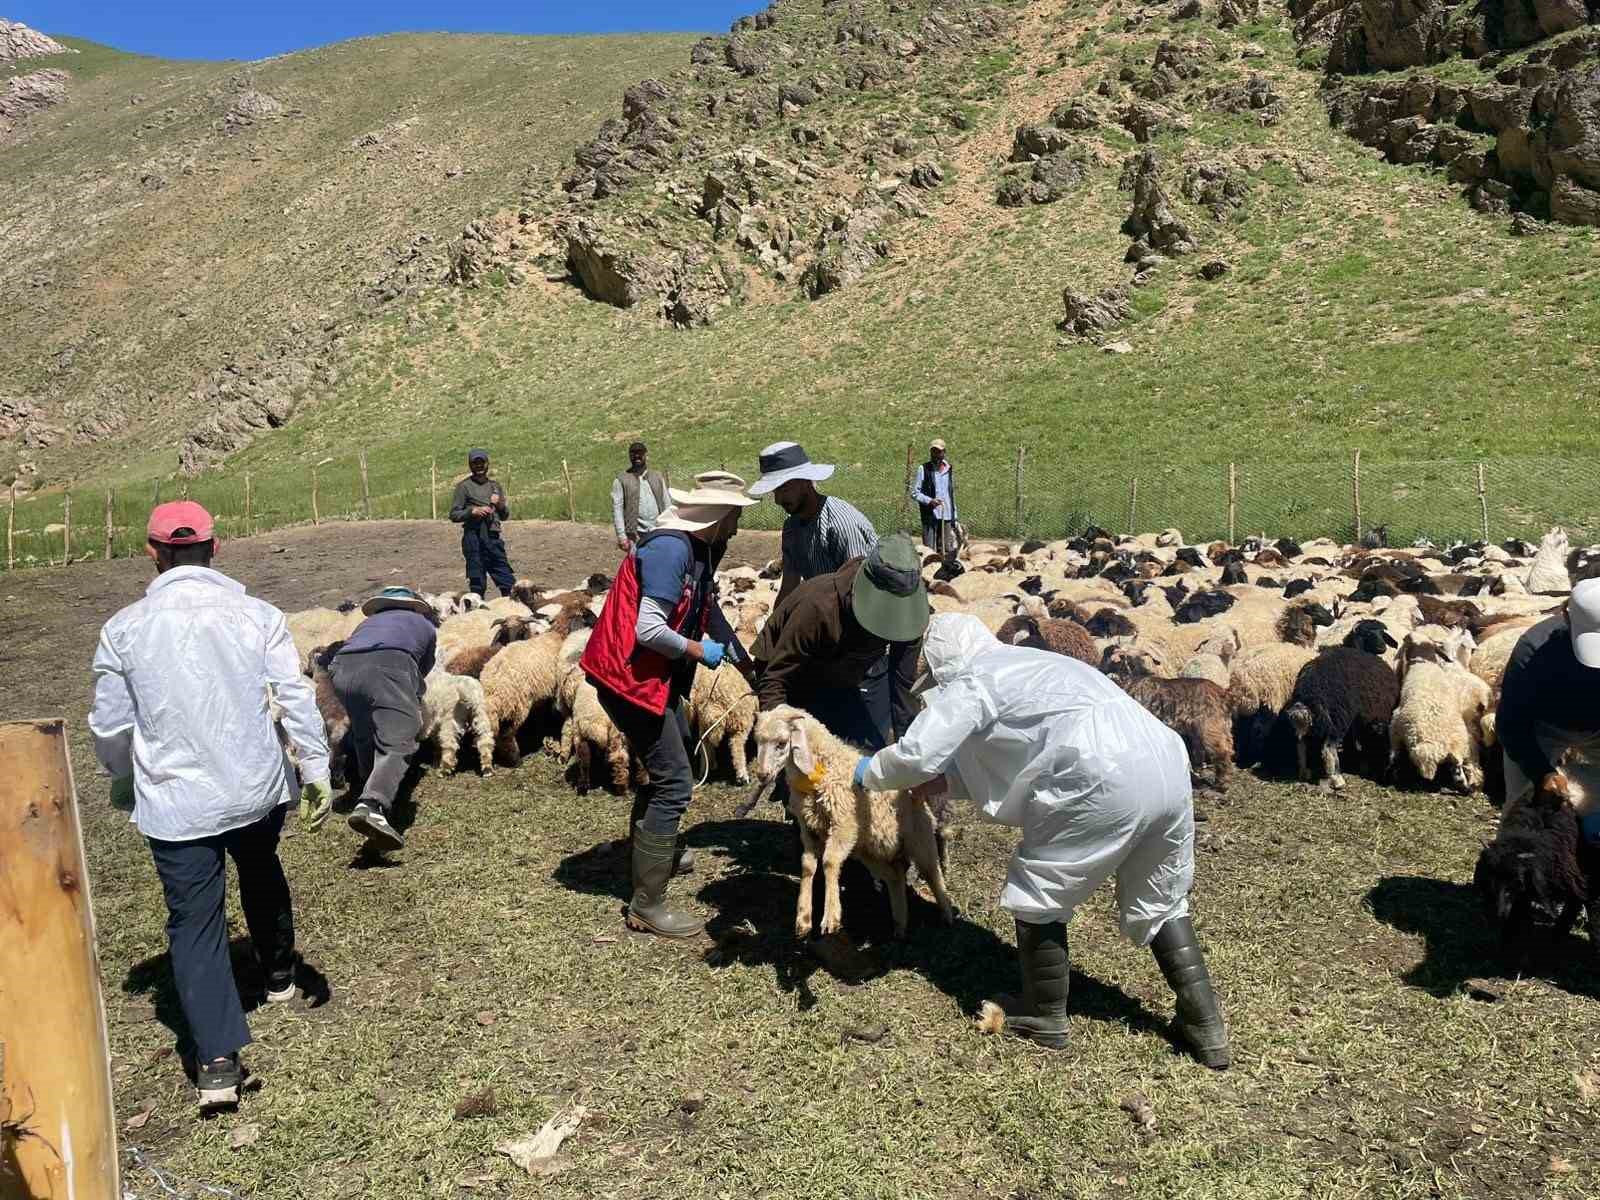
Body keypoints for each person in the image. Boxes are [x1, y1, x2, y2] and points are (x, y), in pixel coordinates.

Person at [852, 614, 1230, 1069]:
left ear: (942, 663)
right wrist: (945, 781)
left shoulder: (973, 679)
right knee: (1161, 896)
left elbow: (917, 755)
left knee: (1040, 887)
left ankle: (1043, 1013)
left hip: (1096, 771)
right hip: (1164, 762)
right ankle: (1205, 1024)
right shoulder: (1032, 664)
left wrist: (867, 771)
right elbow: (1015, 745)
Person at [88, 501, 333, 1111]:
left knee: (194, 919)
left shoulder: (124, 628)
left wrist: (123, 775)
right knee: (261, 865)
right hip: (253, 785)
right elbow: (295, 694)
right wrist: (316, 767)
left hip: (177, 800)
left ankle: (217, 1061)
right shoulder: (258, 615)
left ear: (153, 552)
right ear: (214, 547)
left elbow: (111, 725)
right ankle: (278, 973)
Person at [581, 472, 758, 938]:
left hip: (651, 677)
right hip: (630, 678)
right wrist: (699, 651)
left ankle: (654, 855)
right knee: (675, 782)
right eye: (735, 516)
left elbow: (707, 609)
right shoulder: (670, 550)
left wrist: (743, 661)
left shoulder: (700, 550)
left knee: (674, 758)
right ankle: (647, 903)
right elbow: (648, 630)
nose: (737, 526)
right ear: (717, 516)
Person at [751, 533, 928, 751]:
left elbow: (903, 684)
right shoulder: (818, 606)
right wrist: (780, 733)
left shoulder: (908, 619)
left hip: (846, 678)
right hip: (794, 678)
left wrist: (909, 750)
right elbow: (775, 678)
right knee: (805, 757)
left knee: (867, 754)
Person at [328, 586, 438, 853]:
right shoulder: (424, 624)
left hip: (341, 670)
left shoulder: (367, 623)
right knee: (400, 736)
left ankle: (366, 787)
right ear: (413, 606)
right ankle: (373, 805)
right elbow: (424, 666)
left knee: (365, 732)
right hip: (389, 664)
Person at [1495, 578, 1600, 842]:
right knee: (1522, 803)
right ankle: (1513, 857)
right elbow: (1511, 721)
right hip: (1544, 726)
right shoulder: (1533, 651)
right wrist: (1541, 771)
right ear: (1566, 615)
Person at [747, 441, 879, 604]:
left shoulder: (840, 525)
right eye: (775, 491)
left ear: (804, 482)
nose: (778, 500)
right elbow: (789, 587)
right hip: (827, 607)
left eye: (784, 489)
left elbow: (858, 592)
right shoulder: (792, 529)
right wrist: (777, 619)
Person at [449, 448, 516, 598]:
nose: (479, 466)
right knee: (477, 584)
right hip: (473, 538)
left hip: (493, 538)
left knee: (507, 582)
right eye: (475, 463)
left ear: (487, 464)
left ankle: (510, 610)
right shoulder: (464, 487)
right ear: (470, 465)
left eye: (482, 462)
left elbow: (505, 515)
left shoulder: (495, 486)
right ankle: (478, 611)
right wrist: (472, 511)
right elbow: (454, 514)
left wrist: (498, 504)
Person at [611, 440, 669, 552]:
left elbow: (666, 503)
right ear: (629, 456)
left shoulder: (657, 477)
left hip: (658, 531)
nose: (637, 456)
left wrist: (671, 527)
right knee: (638, 562)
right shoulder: (621, 479)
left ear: (646, 455)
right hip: (635, 536)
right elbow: (617, 509)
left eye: (640, 453)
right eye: (633, 453)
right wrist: (621, 536)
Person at [911, 438, 958, 554]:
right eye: (933, 451)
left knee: (946, 550)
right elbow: (915, 493)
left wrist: (954, 516)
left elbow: (951, 494)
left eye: (938, 451)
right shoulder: (924, 469)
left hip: (946, 515)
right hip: (930, 515)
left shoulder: (949, 469)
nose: (936, 454)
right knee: (928, 550)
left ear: (944, 452)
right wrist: (929, 501)